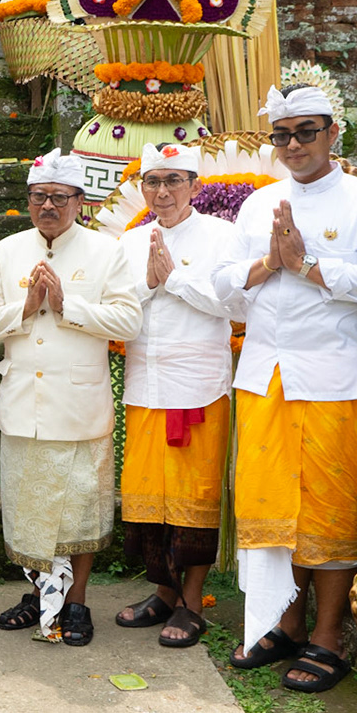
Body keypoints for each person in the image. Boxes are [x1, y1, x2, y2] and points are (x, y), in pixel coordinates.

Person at [212, 85, 357, 693]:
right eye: (282, 134)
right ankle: (284, 622)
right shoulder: (258, 204)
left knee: (329, 507)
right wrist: (269, 264)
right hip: (263, 377)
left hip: (331, 378)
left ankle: (328, 636)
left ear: (332, 133)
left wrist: (309, 266)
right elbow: (222, 288)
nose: (293, 144)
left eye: (306, 132)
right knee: (268, 505)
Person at [0, 149, 143, 646]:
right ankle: (37, 596)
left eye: (58, 197)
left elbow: (128, 321)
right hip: (24, 403)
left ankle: (76, 602)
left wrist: (69, 306)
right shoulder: (7, 250)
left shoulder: (106, 251)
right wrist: (26, 307)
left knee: (79, 512)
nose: (47, 206)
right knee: (29, 508)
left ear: (79, 200)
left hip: (79, 406)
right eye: (38, 196)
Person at [113, 141, 246, 649]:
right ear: (143, 188)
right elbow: (116, 309)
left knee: (195, 497)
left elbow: (237, 305)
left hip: (199, 388)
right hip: (145, 386)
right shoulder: (130, 241)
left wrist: (176, 280)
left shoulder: (222, 236)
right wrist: (149, 285)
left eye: (173, 181)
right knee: (148, 497)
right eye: (153, 181)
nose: (162, 191)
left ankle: (192, 602)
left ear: (194, 185)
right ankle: (163, 593)